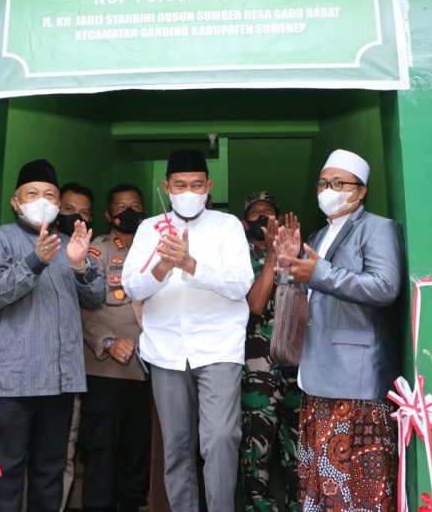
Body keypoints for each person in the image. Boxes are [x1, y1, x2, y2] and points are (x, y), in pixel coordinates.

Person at [122, 149, 254, 512]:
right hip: (166, 351)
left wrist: (190, 264)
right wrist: (164, 267)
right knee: (177, 447)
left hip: (218, 349)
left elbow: (240, 283)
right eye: (180, 185)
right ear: (166, 187)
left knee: (220, 438)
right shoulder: (150, 229)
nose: (188, 192)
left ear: (209, 186)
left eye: (196, 184)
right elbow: (132, 286)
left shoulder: (227, 226)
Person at [274, 149, 404, 512]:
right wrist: (287, 269)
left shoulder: (378, 229)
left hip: (356, 381)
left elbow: (385, 287)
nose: (327, 190)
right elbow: (310, 295)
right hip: (316, 375)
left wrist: (318, 272)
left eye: (338, 183)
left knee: (359, 491)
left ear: (361, 191)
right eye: (322, 184)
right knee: (320, 485)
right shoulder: (316, 237)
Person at [0, 159, 105, 512]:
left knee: (50, 474)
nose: (41, 200)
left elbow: (96, 298)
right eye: (32, 193)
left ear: (58, 203)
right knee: (4, 477)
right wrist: (34, 261)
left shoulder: (69, 244)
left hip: (59, 383)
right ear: (16, 203)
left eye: (49, 194)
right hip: (11, 384)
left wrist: (79, 264)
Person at [78, 183, 151, 512]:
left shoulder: (156, 250)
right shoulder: (98, 250)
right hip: (106, 370)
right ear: (109, 215)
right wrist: (108, 342)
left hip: (147, 371)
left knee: (138, 451)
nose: (129, 211)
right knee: (102, 453)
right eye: (121, 207)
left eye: (135, 205)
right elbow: (82, 308)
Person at [240, 191, 301, 512]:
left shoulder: (300, 253)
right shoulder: (238, 256)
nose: (263, 217)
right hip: (257, 364)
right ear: (244, 222)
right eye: (255, 212)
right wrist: (271, 258)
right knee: (257, 442)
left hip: (298, 363)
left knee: (298, 442)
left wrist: (288, 256)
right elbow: (255, 304)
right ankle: (258, 505)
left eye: (269, 211)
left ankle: (299, 503)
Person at [54, 180, 94, 511]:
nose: (75, 217)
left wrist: (80, 263)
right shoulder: (26, 245)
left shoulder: (87, 254)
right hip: (24, 376)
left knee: (63, 453)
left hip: (69, 373)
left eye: (83, 213)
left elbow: (97, 300)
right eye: (68, 209)